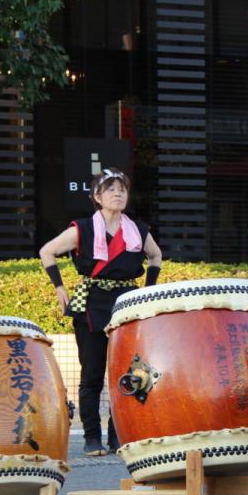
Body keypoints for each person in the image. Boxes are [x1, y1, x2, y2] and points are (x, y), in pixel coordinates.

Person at [39, 169, 162, 456]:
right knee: (92, 374)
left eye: (123, 189)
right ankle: (92, 436)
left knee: (126, 374)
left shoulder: (139, 231)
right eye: (111, 189)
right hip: (91, 304)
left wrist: (148, 290)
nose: (118, 194)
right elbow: (47, 251)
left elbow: (156, 256)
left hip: (127, 304)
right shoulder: (81, 228)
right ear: (97, 196)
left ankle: (119, 435)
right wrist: (60, 288)